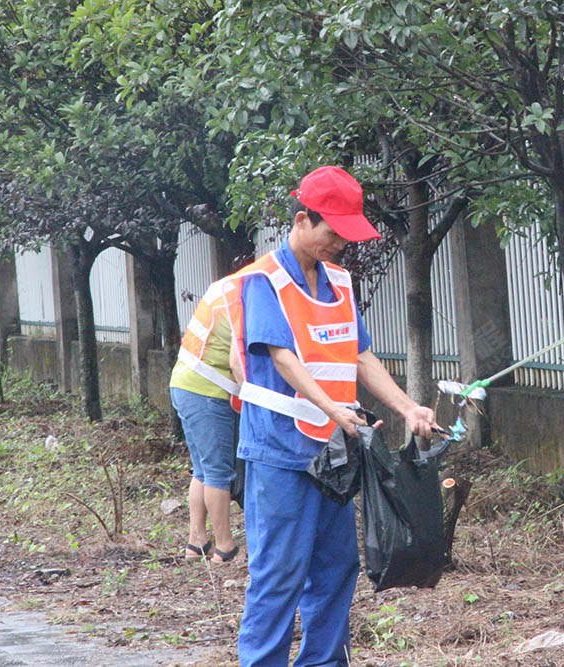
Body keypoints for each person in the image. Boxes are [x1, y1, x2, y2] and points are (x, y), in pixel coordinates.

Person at [224, 165, 438, 667]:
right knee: (279, 572)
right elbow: (282, 357)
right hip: (280, 451)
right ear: (302, 219)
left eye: (347, 233)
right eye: (333, 231)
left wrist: (407, 407)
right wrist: (331, 407)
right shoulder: (265, 281)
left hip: (334, 453)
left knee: (337, 567)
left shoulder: (340, 282)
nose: (341, 242)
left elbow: (360, 357)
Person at [169, 279, 242, 563]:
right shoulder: (246, 304)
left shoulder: (227, 291)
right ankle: (225, 546)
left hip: (185, 383)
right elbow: (237, 362)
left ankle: (197, 541)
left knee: (202, 469)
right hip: (208, 392)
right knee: (217, 473)